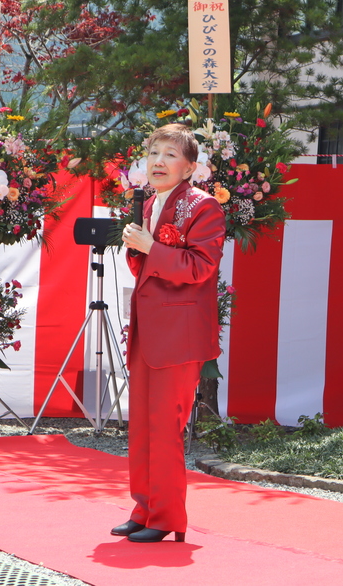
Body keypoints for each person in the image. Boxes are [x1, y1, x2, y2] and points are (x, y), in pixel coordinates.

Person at [113, 123, 225, 543]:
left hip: (178, 336)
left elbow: (201, 268)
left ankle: (167, 517)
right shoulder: (149, 204)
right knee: (142, 426)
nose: (158, 161)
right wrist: (138, 249)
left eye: (170, 155)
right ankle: (144, 509)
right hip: (149, 330)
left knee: (164, 427)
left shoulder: (204, 206)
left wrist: (150, 248)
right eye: (154, 153)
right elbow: (146, 268)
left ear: (190, 167)